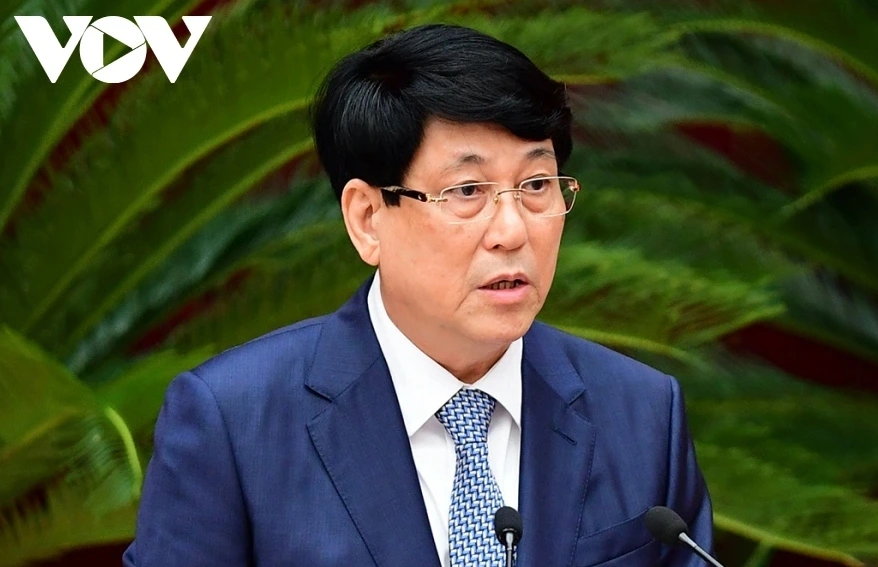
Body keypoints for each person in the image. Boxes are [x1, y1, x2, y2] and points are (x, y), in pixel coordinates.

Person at [123, 23, 713, 567]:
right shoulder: (234, 424)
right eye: (467, 191)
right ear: (367, 218)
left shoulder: (641, 414)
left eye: (536, 184)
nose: (512, 231)